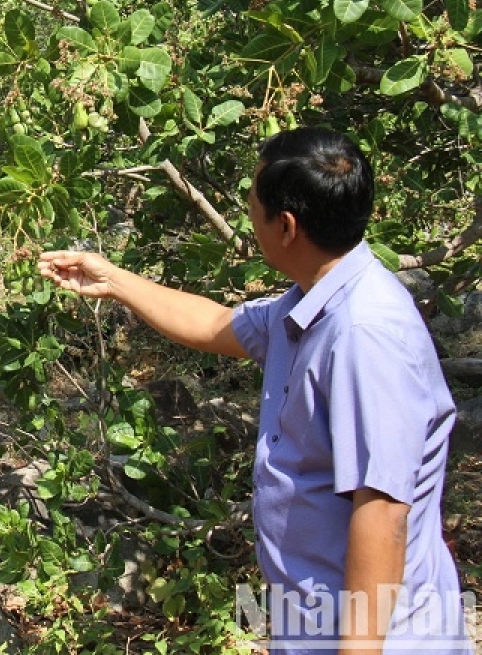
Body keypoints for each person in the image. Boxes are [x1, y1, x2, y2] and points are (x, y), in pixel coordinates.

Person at [39, 128, 470, 654]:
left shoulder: (365, 333)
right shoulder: (315, 300)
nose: (249, 220)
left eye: (252, 208)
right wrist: (112, 279)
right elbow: (219, 324)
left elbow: (381, 511)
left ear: (286, 226)